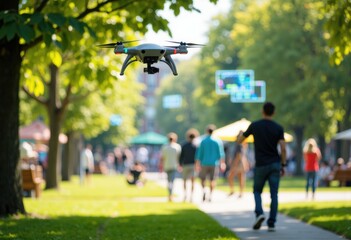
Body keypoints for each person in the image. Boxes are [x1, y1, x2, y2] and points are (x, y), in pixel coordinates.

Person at [237, 102, 287, 232]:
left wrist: (240, 134)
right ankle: (271, 223)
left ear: (262, 111)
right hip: (275, 163)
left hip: (260, 164)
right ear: (273, 112)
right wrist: (283, 164)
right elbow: (283, 147)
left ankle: (259, 213)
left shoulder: (255, 125)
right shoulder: (278, 128)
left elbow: (240, 141)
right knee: (274, 194)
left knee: (257, 191)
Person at [196, 124, 226, 202]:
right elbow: (221, 154)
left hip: (204, 163)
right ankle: (210, 195)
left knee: (202, 179)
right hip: (214, 163)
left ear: (206, 131)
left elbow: (199, 154)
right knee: (213, 180)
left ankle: (204, 191)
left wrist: (197, 164)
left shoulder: (203, 141)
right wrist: (222, 163)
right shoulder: (217, 141)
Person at [227, 131, 250, 198]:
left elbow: (239, 155)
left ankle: (233, 191)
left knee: (230, 176)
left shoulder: (239, 144)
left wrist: (234, 164)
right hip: (241, 163)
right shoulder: (244, 144)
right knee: (241, 178)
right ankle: (240, 193)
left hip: (238, 163)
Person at [179, 128, 199, 202]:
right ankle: (191, 196)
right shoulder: (196, 146)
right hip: (193, 165)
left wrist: (180, 165)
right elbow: (197, 157)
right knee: (192, 181)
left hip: (185, 165)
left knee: (184, 181)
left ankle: (185, 194)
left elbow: (181, 156)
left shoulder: (184, 145)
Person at [160, 132, 181, 202]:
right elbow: (179, 157)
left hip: (167, 165)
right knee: (172, 181)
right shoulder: (177, 147)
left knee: (169, 181)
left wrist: (161, 166)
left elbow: (162, 158)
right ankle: (170, 194)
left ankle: (170, 194)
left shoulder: (164, 147)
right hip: (174, 166)